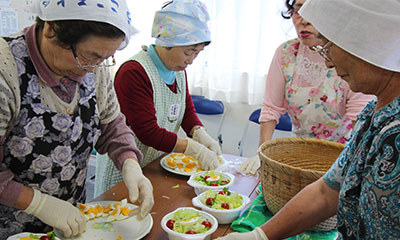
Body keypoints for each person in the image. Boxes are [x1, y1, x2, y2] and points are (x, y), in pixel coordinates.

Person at [216, 0, 400, 239]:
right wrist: (260, 235)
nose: (328, 61)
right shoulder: (373, 115)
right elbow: (326, 191)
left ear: (366, 40)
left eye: (329, 45)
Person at [0, 1, 154, 239]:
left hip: (73, 222)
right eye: (88, 56)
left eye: (105, 58)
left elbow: (111, 125)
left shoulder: (94, 65)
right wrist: (40, 205)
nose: (93, 68)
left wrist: (130, 163)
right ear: (51, 28)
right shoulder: (6, 68)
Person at [95, 0, 221, 196]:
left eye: (197, 53)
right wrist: (193, 149)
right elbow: (147, 132)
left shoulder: (178, 70)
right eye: (189, 52)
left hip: (154, 166)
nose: (191, 60)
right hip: (126, 172)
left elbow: (186, 110)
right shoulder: (134, 72)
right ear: (168, 43)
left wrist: (199, 133)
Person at [239, 0, 373, 175]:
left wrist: (350, 168)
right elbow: (271, 107)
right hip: (300, 155)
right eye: (298, 9)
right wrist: (261, 153)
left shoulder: (347, 56)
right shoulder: (286, 53)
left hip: (340, 157)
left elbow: (360, 121)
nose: (304, 20)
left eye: (313, 10)